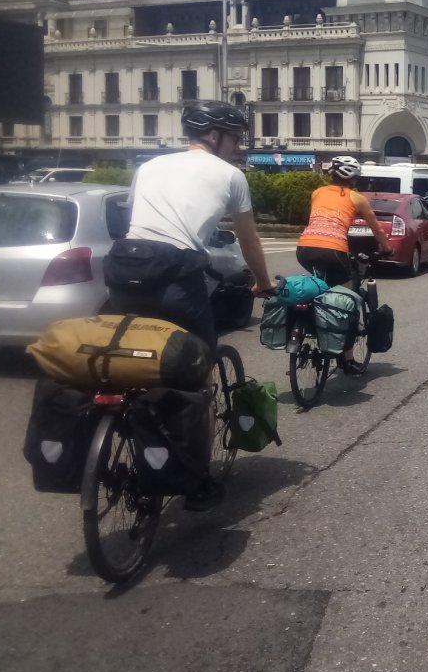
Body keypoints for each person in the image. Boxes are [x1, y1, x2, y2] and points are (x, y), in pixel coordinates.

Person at [103, 100, 275, 511]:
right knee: (196, 374)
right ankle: (196, 482)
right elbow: (248, 242)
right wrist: (263, 283)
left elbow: (141, 223)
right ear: (215, 135)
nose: (237, 147)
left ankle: (114, 426)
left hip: (124, 268)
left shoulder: (149, 166)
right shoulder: (231, 176)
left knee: (123, 358)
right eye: (235, 137)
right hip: (176, 279)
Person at [297, 156, 390, 288]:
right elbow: (377, 229)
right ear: (352, 178)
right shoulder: (357, 198)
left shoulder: (317, 193)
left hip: (304, 250)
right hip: (333, 250)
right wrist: (387, 248)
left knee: (319, 285)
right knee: (348, 290)